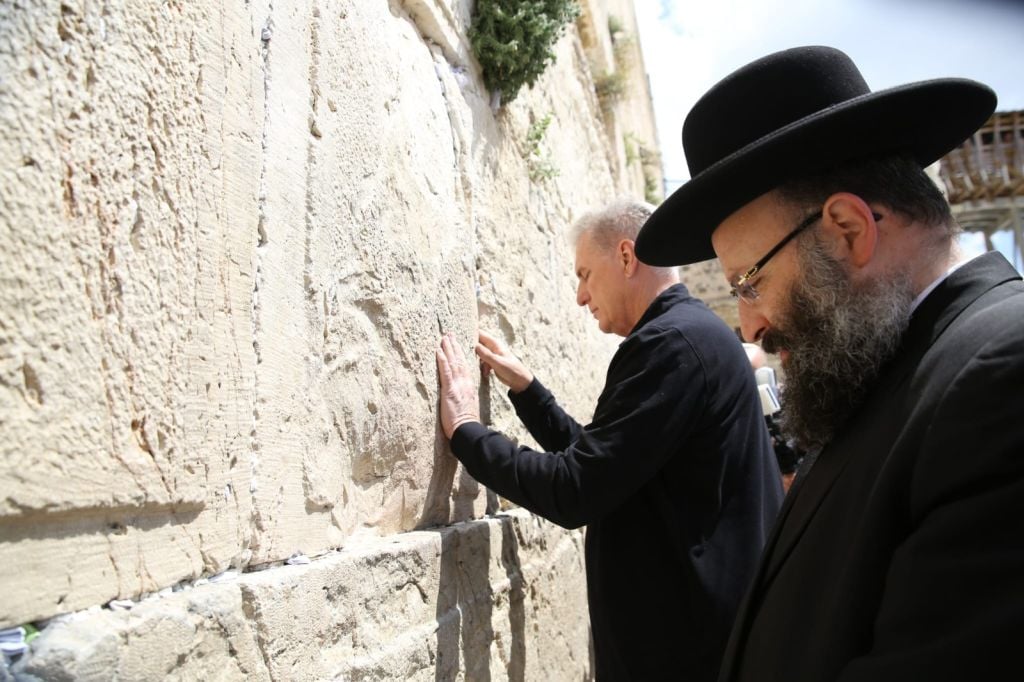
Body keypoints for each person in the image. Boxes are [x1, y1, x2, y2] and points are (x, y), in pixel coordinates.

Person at [635, 45, 1024, 681]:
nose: (750, 326)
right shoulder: (881, 373)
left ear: (847, 228)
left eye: (749, 283)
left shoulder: (1002, 379)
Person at [435, 200, 784, 681]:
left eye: (585, 274)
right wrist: (530, 393)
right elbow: (613, 468)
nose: (580, 296)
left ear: (625, 257)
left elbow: (576, 490)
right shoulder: (692, 336)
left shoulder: (672, 345)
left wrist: (467, 432)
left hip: (686, 655)